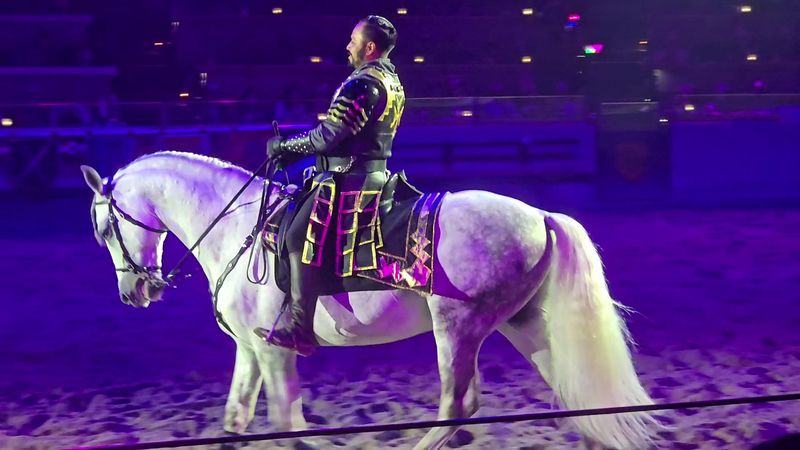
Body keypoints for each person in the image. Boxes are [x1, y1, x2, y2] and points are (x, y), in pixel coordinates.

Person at [257, 15, 405, 356]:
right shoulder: (392, 81)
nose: (348, 46)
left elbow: (328, 136)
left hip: (349, 180)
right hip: (375, 174)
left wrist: (285, 147)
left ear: (370, 47)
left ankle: (300, 327)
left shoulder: (364, 84)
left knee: (297, 235)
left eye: (354, 40)